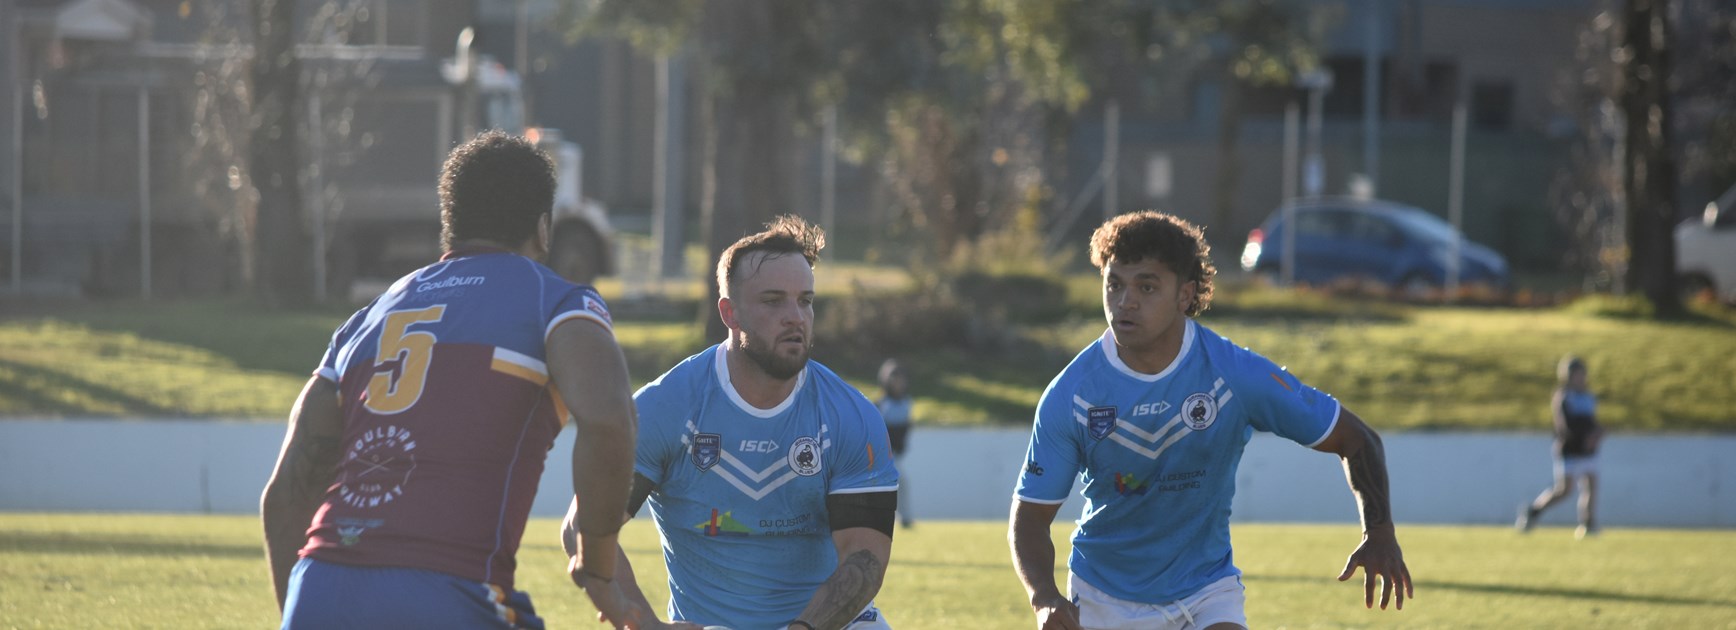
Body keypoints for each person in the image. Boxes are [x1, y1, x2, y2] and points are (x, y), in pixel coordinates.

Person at [262, 131, 671, 629]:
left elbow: (284, 496)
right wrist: (600, 570)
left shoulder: (368, 318)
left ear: (448, 224)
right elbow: (610, 422)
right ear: (544, 229)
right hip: (451, 591)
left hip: (320, 586)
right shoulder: (557, 303)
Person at [1008, 211, 1413, 630]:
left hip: (1206, 592)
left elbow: (1356, 438)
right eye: (1114, 284)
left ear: (1185, 295)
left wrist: (1379, 532)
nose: (1125, 301)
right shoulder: (1072, 394)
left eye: (1146, 286)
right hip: (1103, 598)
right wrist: (1044, 599)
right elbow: (1031, 517)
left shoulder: (1232, 374)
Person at [563, 215, 900, 630]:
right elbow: (582, 526)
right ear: (730, 312)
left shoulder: (851, 415)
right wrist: (644, 624)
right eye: (774, 301)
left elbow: (864, 558)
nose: (795, 316)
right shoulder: (665, 407)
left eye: (806, 300)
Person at [1517, 355, 1603, 539]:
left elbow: (1591, 421)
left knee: (1591, 484)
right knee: (1564, 490)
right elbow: (1565, 425)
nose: (1581, 378)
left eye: (1583, 374)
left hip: (1587, 450)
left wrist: (1597, 433)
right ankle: (1533, 511)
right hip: (1570, 449)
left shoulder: (1588, 396)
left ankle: (1588, 523)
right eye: (1578, 374)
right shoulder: (1564, 396)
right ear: (1569, 376)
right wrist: (1583, 436)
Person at [876, 358, 915, 528]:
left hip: (896, 453)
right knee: (898, 481)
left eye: (900, 378)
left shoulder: (907, 403)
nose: (897, 382)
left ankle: (904, 518)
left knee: (902, 483)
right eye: (893, 378)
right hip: (883, 454)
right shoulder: (881, 404)